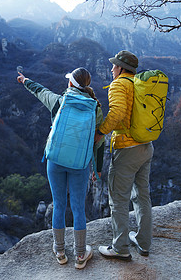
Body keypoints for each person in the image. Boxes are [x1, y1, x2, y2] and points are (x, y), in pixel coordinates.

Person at [17, 67, 104, 269]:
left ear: (71, 83)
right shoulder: (95, 108)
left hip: (55, 161)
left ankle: (60, 252)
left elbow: (40, 91)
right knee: (77, 207)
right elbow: (98, 142)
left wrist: (25, 80)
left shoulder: (59, 101)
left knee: (58, 203)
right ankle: (81, 255)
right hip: (80, 165)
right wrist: (97, 169)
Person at [94, 50, 154, 261]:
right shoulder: (140, 83)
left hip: (127, 148)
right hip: (146, 146)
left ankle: (120, 248)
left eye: (114, 66)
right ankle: (144, 243)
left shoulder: (119, 84)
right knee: (142, 195)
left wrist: (100, 132)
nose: (111, 69)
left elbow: (118, 112)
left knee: (118, 199)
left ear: (120, 68)